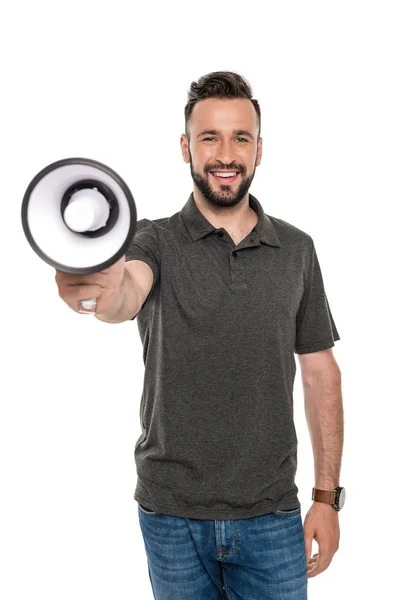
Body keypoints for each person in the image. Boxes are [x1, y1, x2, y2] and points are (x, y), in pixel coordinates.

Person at [55, 71, 344, 600]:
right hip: (170, 517)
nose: (226, 154)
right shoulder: (153, 240)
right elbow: (123, 298)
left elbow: (321, 373)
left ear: (260, 150)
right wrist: (93, 288)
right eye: (210, 137)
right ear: (186, 147)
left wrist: (326, 496)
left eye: (241, 138)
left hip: (273, 514)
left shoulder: (298, 250)